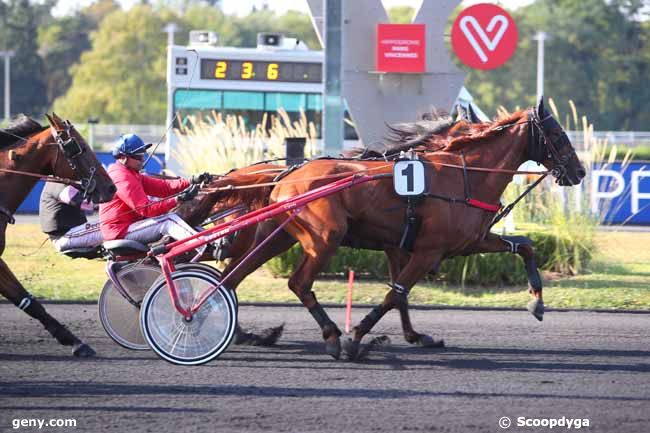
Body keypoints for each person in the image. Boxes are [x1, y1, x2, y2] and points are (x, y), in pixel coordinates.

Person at [98, 134, 211, 247]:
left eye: (143, 155)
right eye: (138, 157)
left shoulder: (130, 173)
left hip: (128, 226)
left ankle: (205, 242)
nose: (143, 159)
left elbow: (164, 187)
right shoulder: (121, 177)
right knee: (168, 221)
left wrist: (191, 180)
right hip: (120, 231)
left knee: (176, 217)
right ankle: (204, 245)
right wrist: (178, 199)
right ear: (123, 157)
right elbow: (147, 209)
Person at [39, 182, 102, 252]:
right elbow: (85, 203)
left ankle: (114, 259)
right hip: (66, 236)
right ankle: (113, 261)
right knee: (110, 225)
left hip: (70, 235)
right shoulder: (58, 185)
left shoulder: (55, 182)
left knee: (111, 225)